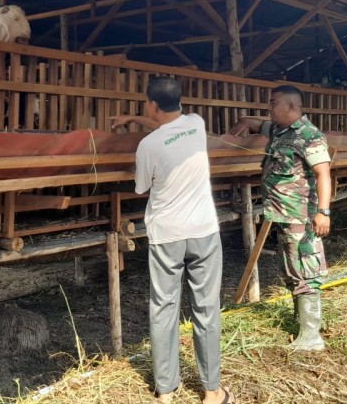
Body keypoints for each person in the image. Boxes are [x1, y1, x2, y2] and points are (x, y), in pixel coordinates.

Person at [111, 76, 234, 404]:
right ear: (179, 100)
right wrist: (135, 119)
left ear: (151, 104)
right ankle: (211, 391)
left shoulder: (148, 146)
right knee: (206, 308)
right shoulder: (197, 124)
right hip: (204, 231)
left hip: (167, 234)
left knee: (163, 308)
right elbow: (165, 122)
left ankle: (166, 390)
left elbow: (140, 187)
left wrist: (135, 125)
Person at [230, 84, 331, 351]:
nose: (269, 108)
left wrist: (323, 212)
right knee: (290, 269)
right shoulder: (278, 130)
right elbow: (255, 123)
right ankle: (302, 325)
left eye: (273, 103)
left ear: (291, 106)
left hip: (301, 216)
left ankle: (312, 336)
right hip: (283, 214)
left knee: (305, 270)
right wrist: (243, 122)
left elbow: (323, 174)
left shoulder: (310, 136)